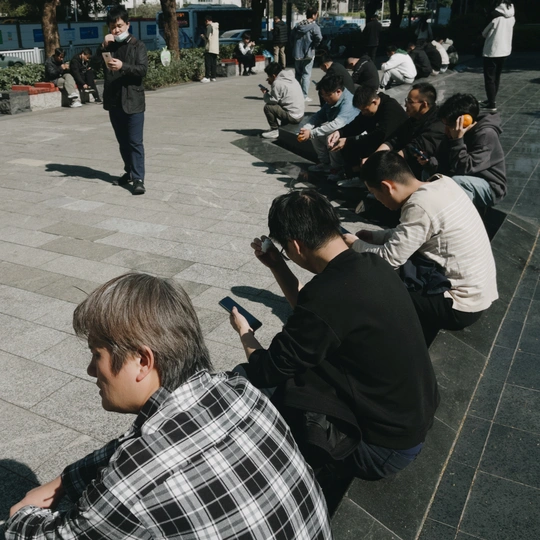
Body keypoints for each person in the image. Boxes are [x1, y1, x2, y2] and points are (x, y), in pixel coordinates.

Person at [6, 273, 333, 539]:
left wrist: (21, 516)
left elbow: (49, 535)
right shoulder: (239, 391)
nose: (91, 370)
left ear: (143, 361)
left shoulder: (131, 484)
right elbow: (136, 444)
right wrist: (65, 481)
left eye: (96, 354)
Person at [228, 189, 440, 483]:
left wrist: (245, 333)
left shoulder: (328, 297)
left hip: (380, 450)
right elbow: (317, 314)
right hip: (410, 423)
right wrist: (278, 265)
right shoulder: (373, 266)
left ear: (296, 245)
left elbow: (266, 369)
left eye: (286, 251)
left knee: (244, 380)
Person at [345, 151, 498, 346]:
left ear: (386, 187)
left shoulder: (419, 205)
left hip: (459, 306)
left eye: (375, 194)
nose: (377, 200)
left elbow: (388, 260)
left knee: (374, 281)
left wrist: (353, 243)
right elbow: (412, 233)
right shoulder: (443, 183)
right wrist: (376, 237)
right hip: (480, 292)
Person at [95, 6, 148, 195]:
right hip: (114, 101)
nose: (116, 30)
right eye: (112, 27)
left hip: (133, 101)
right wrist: (102, 46)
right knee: (123, 142)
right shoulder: (109, 46)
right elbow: (93, 65)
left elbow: (142, 70)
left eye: (119, 26)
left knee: (135, 142)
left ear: (127, 24)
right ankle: (129, 172)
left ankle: (139, 179)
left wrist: (123, 66)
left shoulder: (138, 45)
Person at [422, 92, 507, 207]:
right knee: (428, 174)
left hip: (489, 185)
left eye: (449, 125)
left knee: (458, 182)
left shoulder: (486, 134)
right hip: (462, 175)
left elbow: (465, 168)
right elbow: (444, 160)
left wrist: (457, 140)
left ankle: (463, 216)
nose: (446, 130)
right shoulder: (452, 132)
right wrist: (429, 162)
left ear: (466, 121)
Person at [327, 85, 408, 187]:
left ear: (374, 102)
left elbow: (380, 135)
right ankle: (356, 176)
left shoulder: (390, 109)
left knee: (352, 143)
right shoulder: (370, 109)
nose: (363, 113)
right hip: (379, 141)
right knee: (347, 142)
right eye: (361, 111)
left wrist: (348, 140)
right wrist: (340, 132)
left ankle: (370, 182)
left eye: (365, 110)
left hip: (395, 146)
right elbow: (357, 124)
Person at [375, 82, 445, 178]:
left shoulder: (438, 124)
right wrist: (374, 157)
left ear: (424, 104)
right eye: (406, 100)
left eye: (410, 102)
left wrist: (384, 165)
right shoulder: (414, 119)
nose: (405, 105)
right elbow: (395, 138)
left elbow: (412, 149)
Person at [297, 73, 359, 175]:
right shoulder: (331, 101)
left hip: (352, 137)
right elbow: (318, 116)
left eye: (327, 95)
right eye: (323, 95)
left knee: (331, 137)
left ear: (338, 92)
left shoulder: (348, 102)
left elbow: (336, 124)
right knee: (317, 135)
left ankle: (337, 169)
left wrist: (311, 133)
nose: (325, 98)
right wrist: (307, 128)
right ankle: (325, 163)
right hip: (339, 132)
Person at [481, 1, 515, 112]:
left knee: (489, 78)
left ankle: (492, 103)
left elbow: (484, 33)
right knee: (497, 77)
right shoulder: (512, 19)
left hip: (492, 51)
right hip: (505, 51)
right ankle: (491, 99)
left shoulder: (495, 19)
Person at [260, 62, 305, 139]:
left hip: (293, 117)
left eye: (269, 76)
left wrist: (265, 94)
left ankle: (275, 130)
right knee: (283, 103)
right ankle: (281, 127)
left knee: (268, 107)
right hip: (300, 114)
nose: (268, 78)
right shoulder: (291, 78)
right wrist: (272, 82)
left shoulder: (277, 83)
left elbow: (273, 101)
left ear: (274, 76)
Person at [291, 7, 322, 102]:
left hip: (297, 53)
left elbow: (291, 37)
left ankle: (296, 94)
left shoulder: (298, 26)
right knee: (306, 75)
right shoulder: (314, 26)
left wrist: (295, 46)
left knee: (297, 75)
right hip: (308, 53)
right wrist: (314, 45)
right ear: (313, 15)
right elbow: (319, 38)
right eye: (316, 14)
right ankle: (304, 96)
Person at [200, 15, 219, 83]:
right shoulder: (216, 26)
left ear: (207, 20)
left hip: (209, 47)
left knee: (208, 63)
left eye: (205, 21)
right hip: (215, 48)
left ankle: (207, 77)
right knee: (213, 63)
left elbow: (207, 37)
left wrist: (202, 36)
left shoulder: (209, 27)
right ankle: (213, 77)